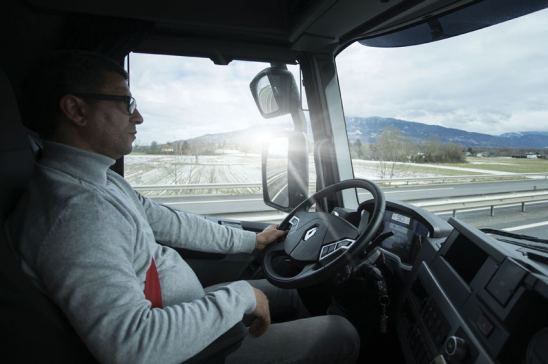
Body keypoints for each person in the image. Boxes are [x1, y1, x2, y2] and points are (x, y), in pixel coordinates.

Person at [7, 50, 360, 364]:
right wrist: (239, 297)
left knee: (292, 288)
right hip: (188, 348)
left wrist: (251, 242)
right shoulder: (78, 214)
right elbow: (133, 347)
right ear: (76, 110)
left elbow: (172, 223)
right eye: (126, 103)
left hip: (180, 315)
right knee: (342, 333)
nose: (139, 117)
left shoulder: (99, 180)